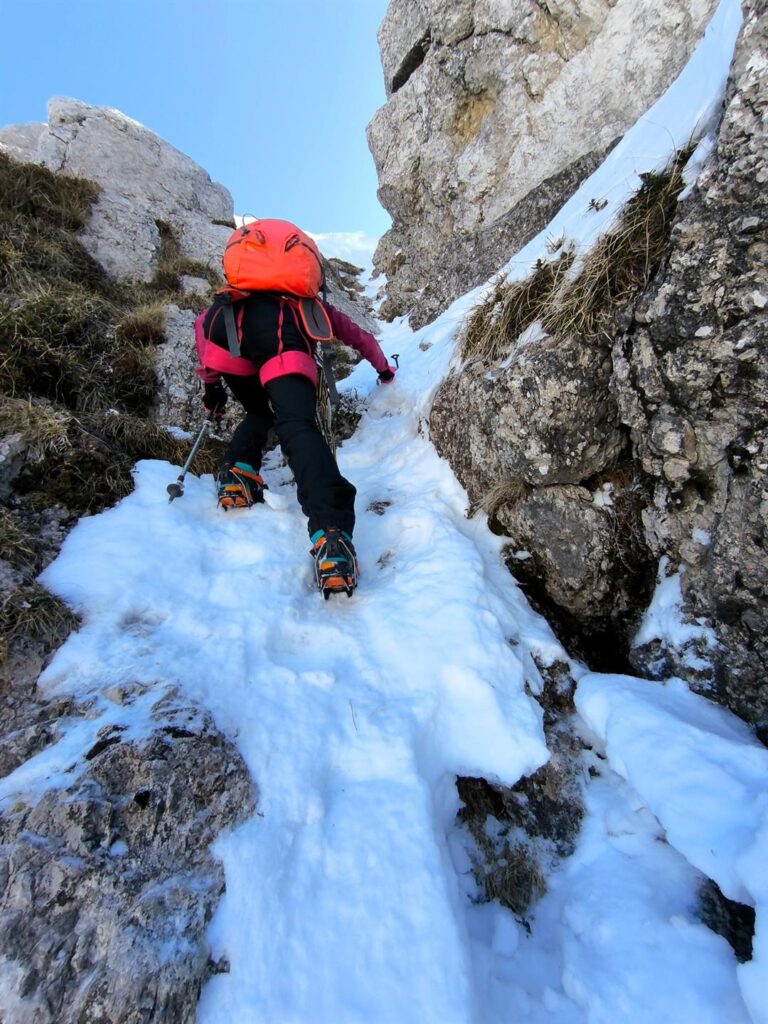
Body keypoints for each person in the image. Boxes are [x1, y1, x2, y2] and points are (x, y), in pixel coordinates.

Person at [194, 219, 396, 598]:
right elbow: (360, 337)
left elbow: (203, 334)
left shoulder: (227, 301)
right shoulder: (306, 305)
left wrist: (212, 392)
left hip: (229, 341)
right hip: (283, 339)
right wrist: (384, 370)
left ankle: (237, 471)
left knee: (260, 413)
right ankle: (330, 535)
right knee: (296, 425)